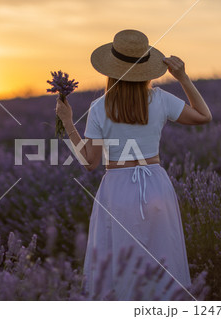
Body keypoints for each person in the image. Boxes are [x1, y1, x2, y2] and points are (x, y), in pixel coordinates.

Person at [55, 29, 212, 300]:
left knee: (120, 271)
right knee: (162, 267)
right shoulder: (161, 99)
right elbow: (203, 116)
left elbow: (90, 163)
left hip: (116, 190)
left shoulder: (99, 106)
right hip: (156, 185)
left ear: (111, 69)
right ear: (146, 69)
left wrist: (68, 122)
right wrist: (183, 77)